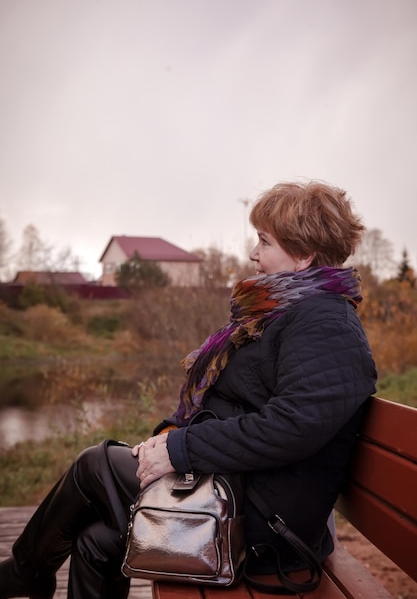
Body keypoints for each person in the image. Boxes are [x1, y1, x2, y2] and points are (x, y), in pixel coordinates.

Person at [0, 181, 377, 599]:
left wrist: (181, 449)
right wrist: (171, 437)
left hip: (263, 525)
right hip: (241, 495)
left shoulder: (326, 324)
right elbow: (241, 406)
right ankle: (28, 571)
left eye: (264, 242)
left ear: (304, 254)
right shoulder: (290, 314)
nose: (253, 254)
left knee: (95, 465)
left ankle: (25, 572)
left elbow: (293, 425)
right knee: (96, 541)